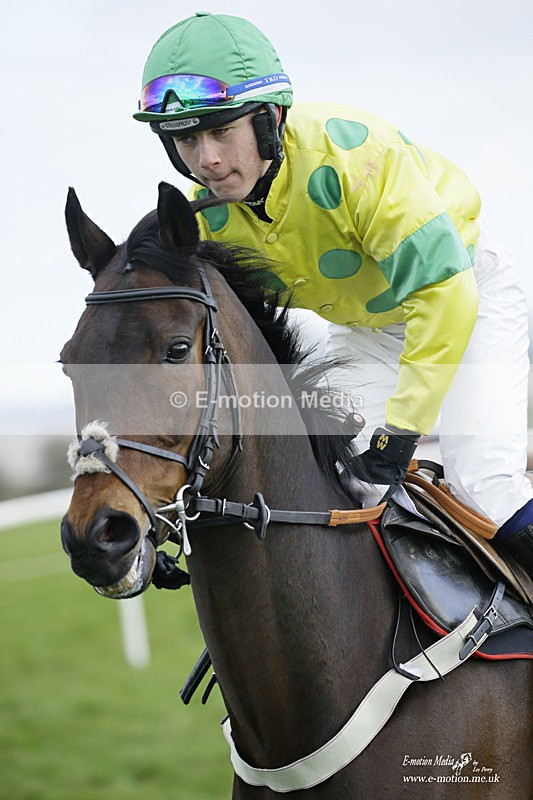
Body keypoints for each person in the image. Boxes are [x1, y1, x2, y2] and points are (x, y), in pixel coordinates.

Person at [133, 11, 532, 577]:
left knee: (486, 482)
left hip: (468, 292)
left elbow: (446, 297)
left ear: (269, 119)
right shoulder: (214, 217)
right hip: (370, 328)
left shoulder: (354, 159)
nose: (207, 159)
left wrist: (402, 427)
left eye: (221, 130)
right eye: (186, 138)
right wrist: (167, 519)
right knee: (339, 478)